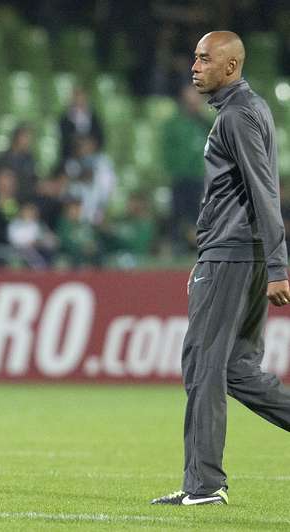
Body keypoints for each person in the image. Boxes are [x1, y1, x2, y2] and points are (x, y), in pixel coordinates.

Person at [152, 31, 290, 506]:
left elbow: (264, 190)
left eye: (205, 59)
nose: (194, 67)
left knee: (203, 364)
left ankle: (204, 484)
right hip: (238, 254)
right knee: (236, 368)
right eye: (193, 57)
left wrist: (278, 266)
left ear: (231, 67)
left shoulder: (236, 116)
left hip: (232, 256)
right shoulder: (248, 110)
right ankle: (205, 481)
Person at [161, 84, 211, 251]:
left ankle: (197, 250)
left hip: (199, 176)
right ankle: (176, 248)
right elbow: (166, 150)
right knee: (177, 215)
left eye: (198, 98)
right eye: (192, 98)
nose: (195, 102)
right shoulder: (174, 123)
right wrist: (170, 170)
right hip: (179, 177)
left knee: (198, 215)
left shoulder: (205, 123)